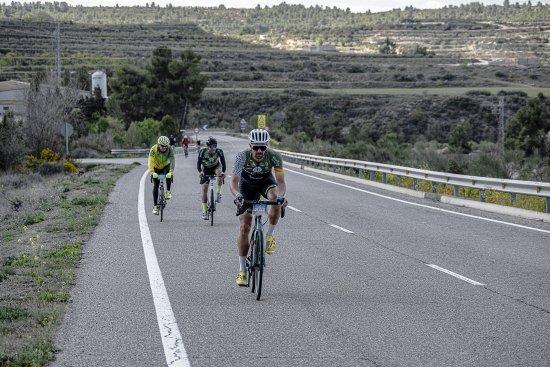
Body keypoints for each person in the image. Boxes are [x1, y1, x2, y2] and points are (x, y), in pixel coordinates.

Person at [229, 129, 287, 286]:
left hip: (265, 182)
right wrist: (237, 195)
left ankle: (269, 236)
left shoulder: (275, 156)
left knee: (275, 199)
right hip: (246, 185)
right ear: (250, 146)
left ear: (267, 146)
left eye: (263, 147)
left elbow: (280, 182)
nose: (259, 151)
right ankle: (242, 271)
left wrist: (281, 196)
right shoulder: (242, 156)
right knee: (244, 227)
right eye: (256, 147)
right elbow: (234, 182)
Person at [197, 136, 226, 219]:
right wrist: (200, 172)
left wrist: (223, 172)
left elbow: (223, 163)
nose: (213, 149)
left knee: (220, 174)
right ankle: (204, 210)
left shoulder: (219, 151)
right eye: (211, 147)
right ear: (207, 146)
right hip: (206, 169)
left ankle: (218, 193)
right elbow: (198, 164)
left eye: (215, 146)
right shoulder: (202, 151)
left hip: (216, 167)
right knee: (204, 190)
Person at [148, 136, 175, 215]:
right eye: (162, 146)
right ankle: (155, 206)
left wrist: (171, 171)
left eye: (165, 146)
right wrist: (152, 172)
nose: (164, 148)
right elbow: (150, 161)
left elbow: (172, 160)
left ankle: (168, 191)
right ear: (158, 145)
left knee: (168, 175)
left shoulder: (170, 149)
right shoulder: (153, 149)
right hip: (156, 167)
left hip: (166, 166)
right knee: (156, 185)